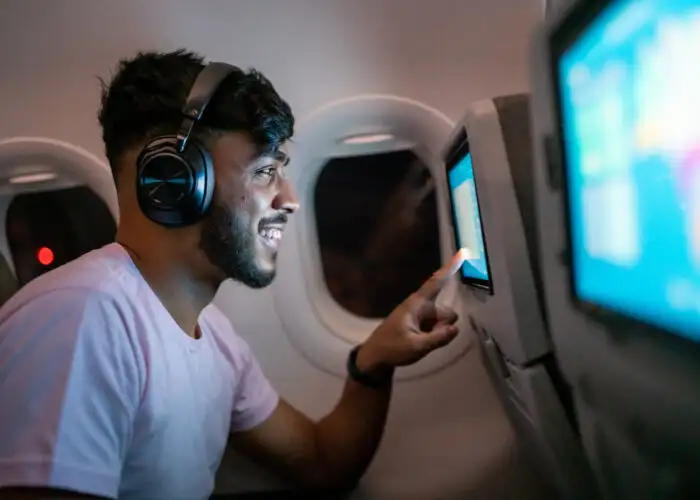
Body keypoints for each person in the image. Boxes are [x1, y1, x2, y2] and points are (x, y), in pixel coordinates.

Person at [0, 49, 465, 500]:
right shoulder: (83, 320)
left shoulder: (215, 339)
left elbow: (326, 465)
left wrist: (373, 361)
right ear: (175, 181)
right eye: (265, 171)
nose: (289, 199)